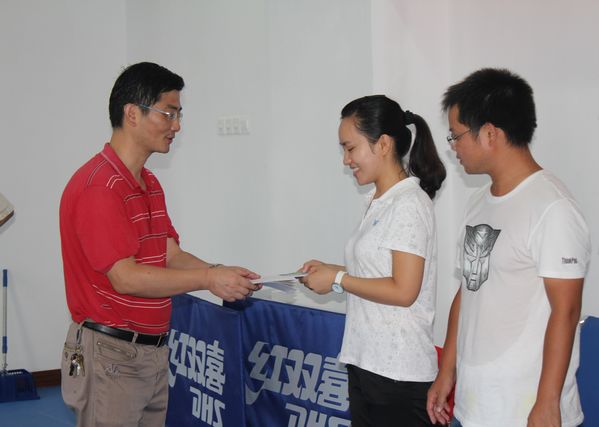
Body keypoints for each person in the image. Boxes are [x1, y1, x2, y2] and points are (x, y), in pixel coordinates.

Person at [59, 62, 260, 427]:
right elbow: (126, 278)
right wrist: (208, 280)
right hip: (110, 353)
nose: (176, 126)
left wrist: (219, 272)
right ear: (132, 113)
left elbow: (169, 254)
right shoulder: (100, 187)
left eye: (179, 115)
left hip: (151, 350)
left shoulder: (147, 182)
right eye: (168, 113)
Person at [426, 68, 591, 427]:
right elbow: (468, 290)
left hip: (526, 411)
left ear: (490, 133)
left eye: (456, 135)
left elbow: (566, 311)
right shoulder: (478, 202)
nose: (453, 146)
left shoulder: (552, 208)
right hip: (475, 406)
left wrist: (547, 402)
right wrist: (447, 370)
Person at [300, 95, 446, 427]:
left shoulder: (408, 203)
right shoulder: (380, 200)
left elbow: (404, 290)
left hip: (397, 372)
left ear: (383, 144)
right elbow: (377, 273)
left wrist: (338, 279)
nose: (346, 160)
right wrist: (332, 272)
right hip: (367, 363)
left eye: (350, 148)